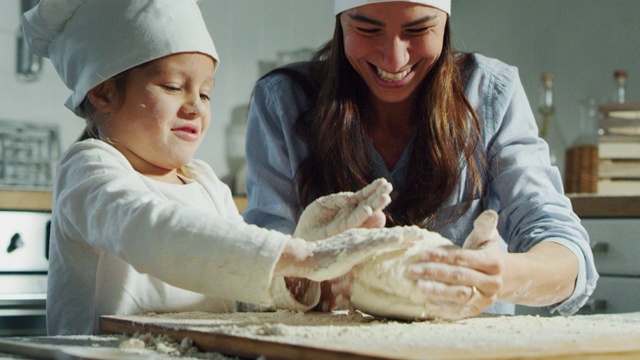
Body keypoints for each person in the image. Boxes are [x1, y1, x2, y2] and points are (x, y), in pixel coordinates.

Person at [21, 0, 427, 335]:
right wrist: (291, 254)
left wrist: (308, 270)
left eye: (205, 92)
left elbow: (241, 286)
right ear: (103, 91)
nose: (194, 105)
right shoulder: (91, 170)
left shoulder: (204, 183)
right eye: (172, 86)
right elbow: (154, 230)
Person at [243, 0, 598, 317]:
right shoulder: (283, 102)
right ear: (340, 24)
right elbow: (253, 273)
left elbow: (567, 255)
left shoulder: (490, 94)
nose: (394, 59)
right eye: (367, 29)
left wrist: (496, 275)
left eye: (418, 30)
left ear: (444, 23)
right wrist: (302, 271)